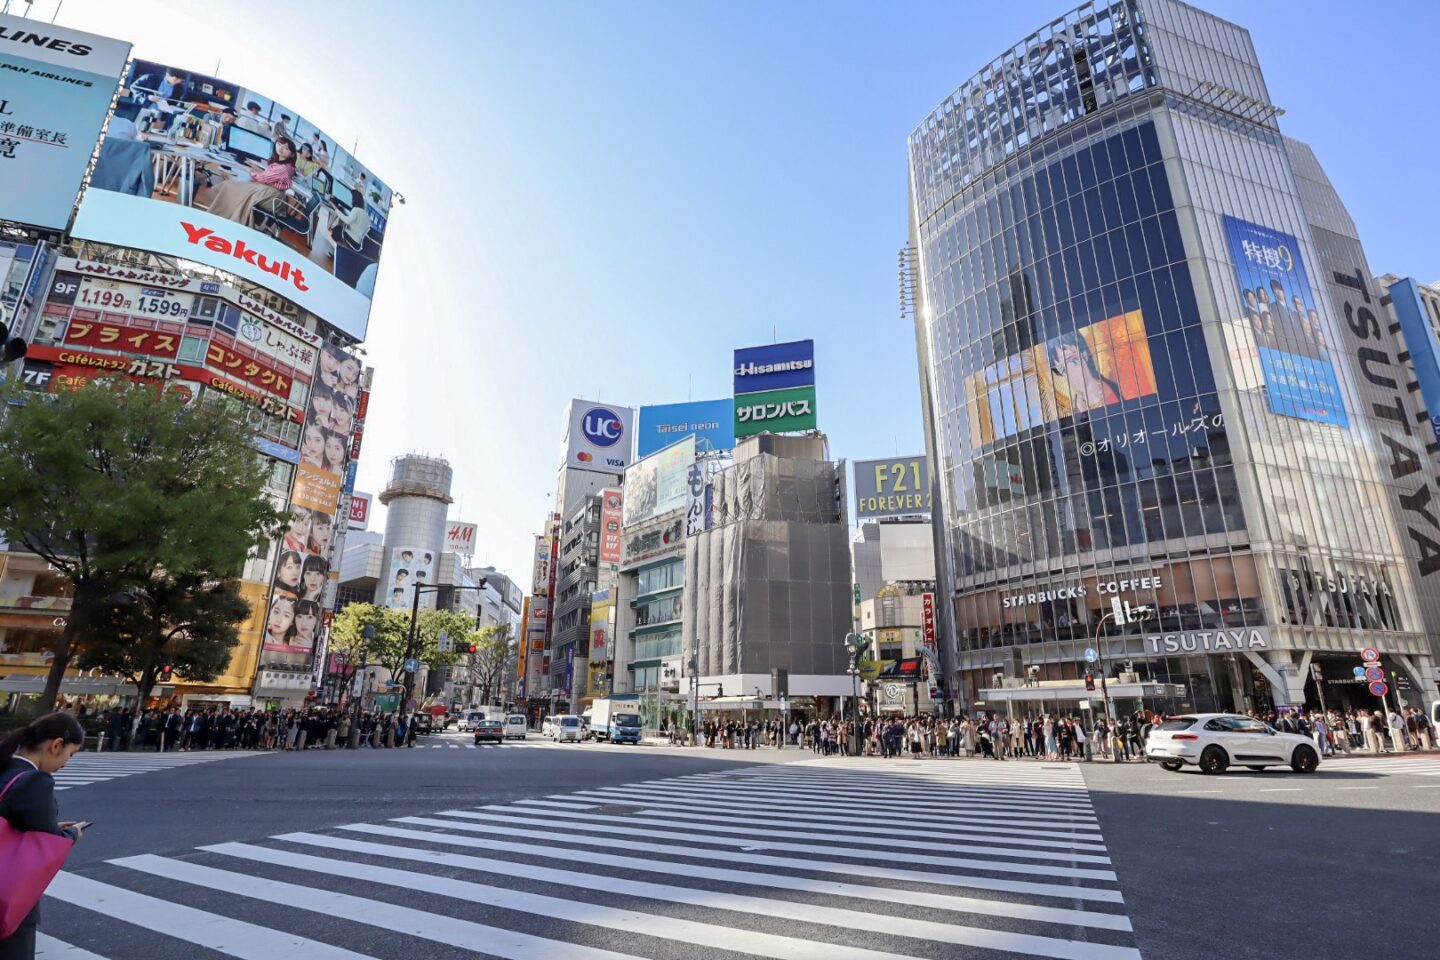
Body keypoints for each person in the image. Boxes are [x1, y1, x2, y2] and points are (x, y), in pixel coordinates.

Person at [0, 713, 86, 958]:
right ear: (56, 745)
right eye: (70, 754)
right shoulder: (36, 782)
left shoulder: (4, 765)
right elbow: (45, 843)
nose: (66, 763)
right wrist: (70, 834)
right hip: (7, 899)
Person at [205, 136, 298, 229]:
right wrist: (255, 167)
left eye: (286, 148)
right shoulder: (284, 165)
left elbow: (263, 178)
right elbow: (269, 176)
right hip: (270, 191)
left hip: (269, 195)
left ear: (292, 154)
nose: (281, 148)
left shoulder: (283, 168)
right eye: (279, 144)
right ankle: (223, 212)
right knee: (235, 186)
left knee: (229, 185)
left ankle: (220, 215)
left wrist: (251, 171)